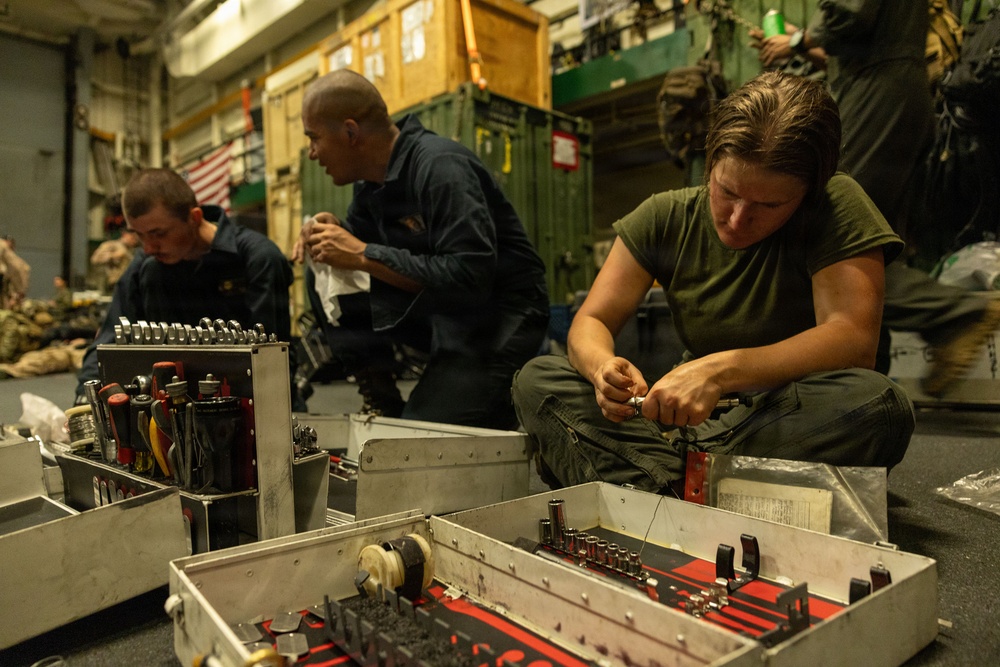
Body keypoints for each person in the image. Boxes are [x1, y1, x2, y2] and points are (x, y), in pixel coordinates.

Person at [512, 71, 915, 493]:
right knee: (537, 378)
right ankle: (696, 481)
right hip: (683, 426)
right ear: (710, 165)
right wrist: (602, 370)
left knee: (880, 406)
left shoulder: (838, 203)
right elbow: (591, 320)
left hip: (774, 419)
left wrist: (719, 372)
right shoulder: (663, 216)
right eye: (727, 192)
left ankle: (652, 478)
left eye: (769, 204)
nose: (738, 219)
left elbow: (852, 340)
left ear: (809, 193)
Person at [753, 1, 1000, 397]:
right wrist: (800, 47)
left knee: (836, 238)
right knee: (873, 248)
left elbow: (849, 14)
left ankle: (958, 315)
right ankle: (867, 385)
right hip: (894, 92)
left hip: (878, 96)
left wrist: (796, 39)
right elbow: (858, 39)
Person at [295, 69, 549, 429]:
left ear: (351, 132)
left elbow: (470, 277)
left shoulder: (440, 166)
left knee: (422, 438)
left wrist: (361, 253)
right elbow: (359, 247)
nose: (311, 153)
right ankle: (380, 390)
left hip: (501, 314)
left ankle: (498, 389)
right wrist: (332, 232)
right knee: (322, 266)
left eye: (314, 138)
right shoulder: (370, 185)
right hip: (445, 309)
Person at [75, 169, 301, 408]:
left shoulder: (257, 258)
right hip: (175, 407)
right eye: (140, 236)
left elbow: (273, 359)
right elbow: (108, 340)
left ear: (194, 217)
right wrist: (85, 401)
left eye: (158, 233)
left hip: (256, 402)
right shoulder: (145, 266)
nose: (149, 247)